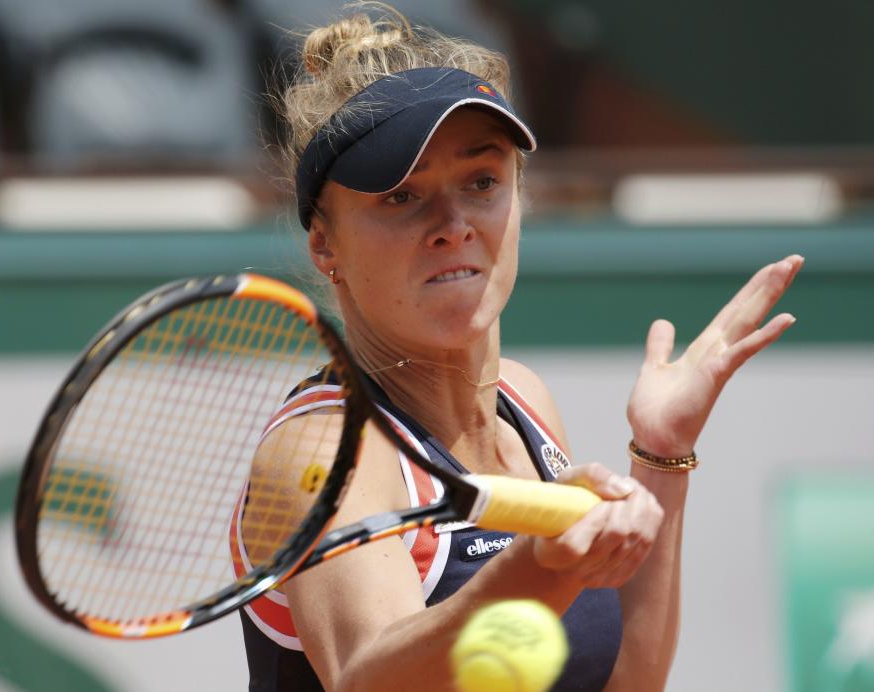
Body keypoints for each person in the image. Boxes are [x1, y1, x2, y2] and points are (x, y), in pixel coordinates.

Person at [237, 4, 803, 690]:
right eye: (401, 196)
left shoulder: (522, 400)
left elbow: (625, 677)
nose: (452, 224)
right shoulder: (325, 450)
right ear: (325, 244)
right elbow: (368, 679)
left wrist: (662, 452)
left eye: (482, 182)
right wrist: (537, 568)